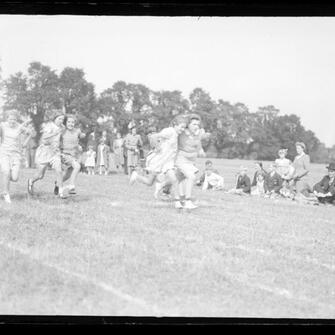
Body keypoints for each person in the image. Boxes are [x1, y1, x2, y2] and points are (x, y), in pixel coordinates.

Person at [129, 115, 187, 204]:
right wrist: (157, 146)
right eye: (181, 127)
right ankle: (136, 176)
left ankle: (177, 201)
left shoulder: (176, 134)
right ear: (175, 124)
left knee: (174, 179)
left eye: (184, 127)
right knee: (149, 182)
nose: (183, 129)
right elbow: (153, 137)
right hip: (158, 161)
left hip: (167, 163)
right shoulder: (169, 131)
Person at [27, 111, 66, 198]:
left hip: (55, 152)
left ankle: (61, 193)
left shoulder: (62, 128)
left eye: (62, 119)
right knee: (40, 175)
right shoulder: (49, 126)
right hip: (44, 151)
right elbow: (44, 138)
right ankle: (31, 181)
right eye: (59, 119)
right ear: (55, 119)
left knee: (59, 171)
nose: (61, 121)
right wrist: (54, 133)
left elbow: (61, 139)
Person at [0, 110, 33, 203]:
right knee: (6, 172)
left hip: (16, 155)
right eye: (10, 119)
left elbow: (31, 133)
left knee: (14, 178)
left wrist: (25, 142)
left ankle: (5, 175)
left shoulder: (19, 127)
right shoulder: (2, 126)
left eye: (14, 119)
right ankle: (6, 193)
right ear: (7, 119)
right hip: (4, 153)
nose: (12, 121)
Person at [174, 114, 206, 209]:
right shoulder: (182, 132)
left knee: (179, 179)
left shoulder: (198, 133)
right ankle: (187, 201)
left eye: (197, 124)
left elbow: (199, 141)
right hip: (181, 159)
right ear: (188, 124)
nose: (196, 126)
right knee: (191, 177)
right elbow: (174, 129)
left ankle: (179, 200)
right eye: (194, 124)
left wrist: (201, 150)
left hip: (191, 160)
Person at [54, 114, 86, 195]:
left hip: (74, 155)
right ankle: (71, 186)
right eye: (69, 122)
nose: (71, 124)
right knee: (77, 166)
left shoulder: (77, 131)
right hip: (65, 154)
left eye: (72, 122)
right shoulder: (62, 131)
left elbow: (81, 135)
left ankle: (57, 184)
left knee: (68, 174)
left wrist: (83, 137)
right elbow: (56, 139)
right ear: (65, 122)